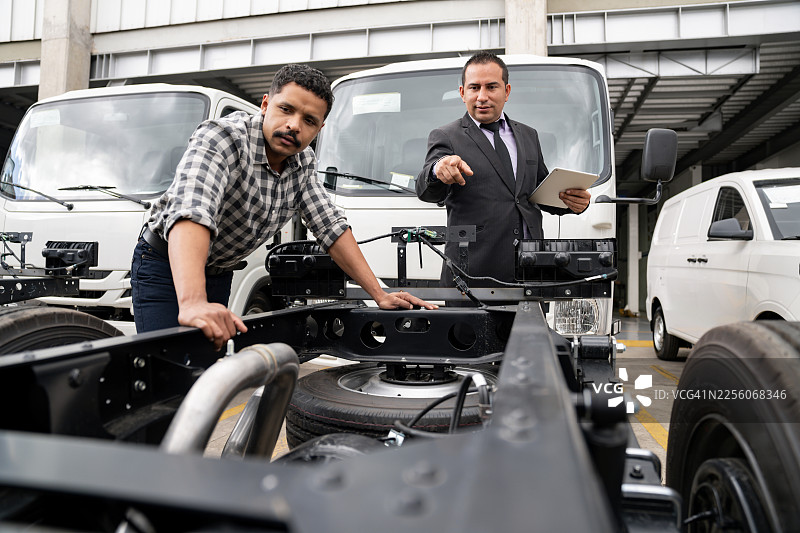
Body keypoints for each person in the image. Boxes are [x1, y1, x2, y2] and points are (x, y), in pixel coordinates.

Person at [132, 63, 436, 350]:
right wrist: (194, 300)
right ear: (265, 105)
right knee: (167, 369)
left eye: (309, 121)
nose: (294, 126)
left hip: (218, 272)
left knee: (204, 365)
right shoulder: (222, 138)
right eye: (286, 110)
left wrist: (380, 295)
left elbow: (332, 228)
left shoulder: (303, 164)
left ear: (320, 128)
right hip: (164, 264)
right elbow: (192, 211)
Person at [416, 52, 591, 287]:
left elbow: (535, 194)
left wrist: (574, 202)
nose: (482, 96)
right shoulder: (447, 136)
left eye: (491, 87)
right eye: (474, 88)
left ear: (507, 91)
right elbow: (426, 190)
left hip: (531, 272)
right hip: (473, 277)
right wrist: (437, 169)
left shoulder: (529, 135)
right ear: (462, 93)